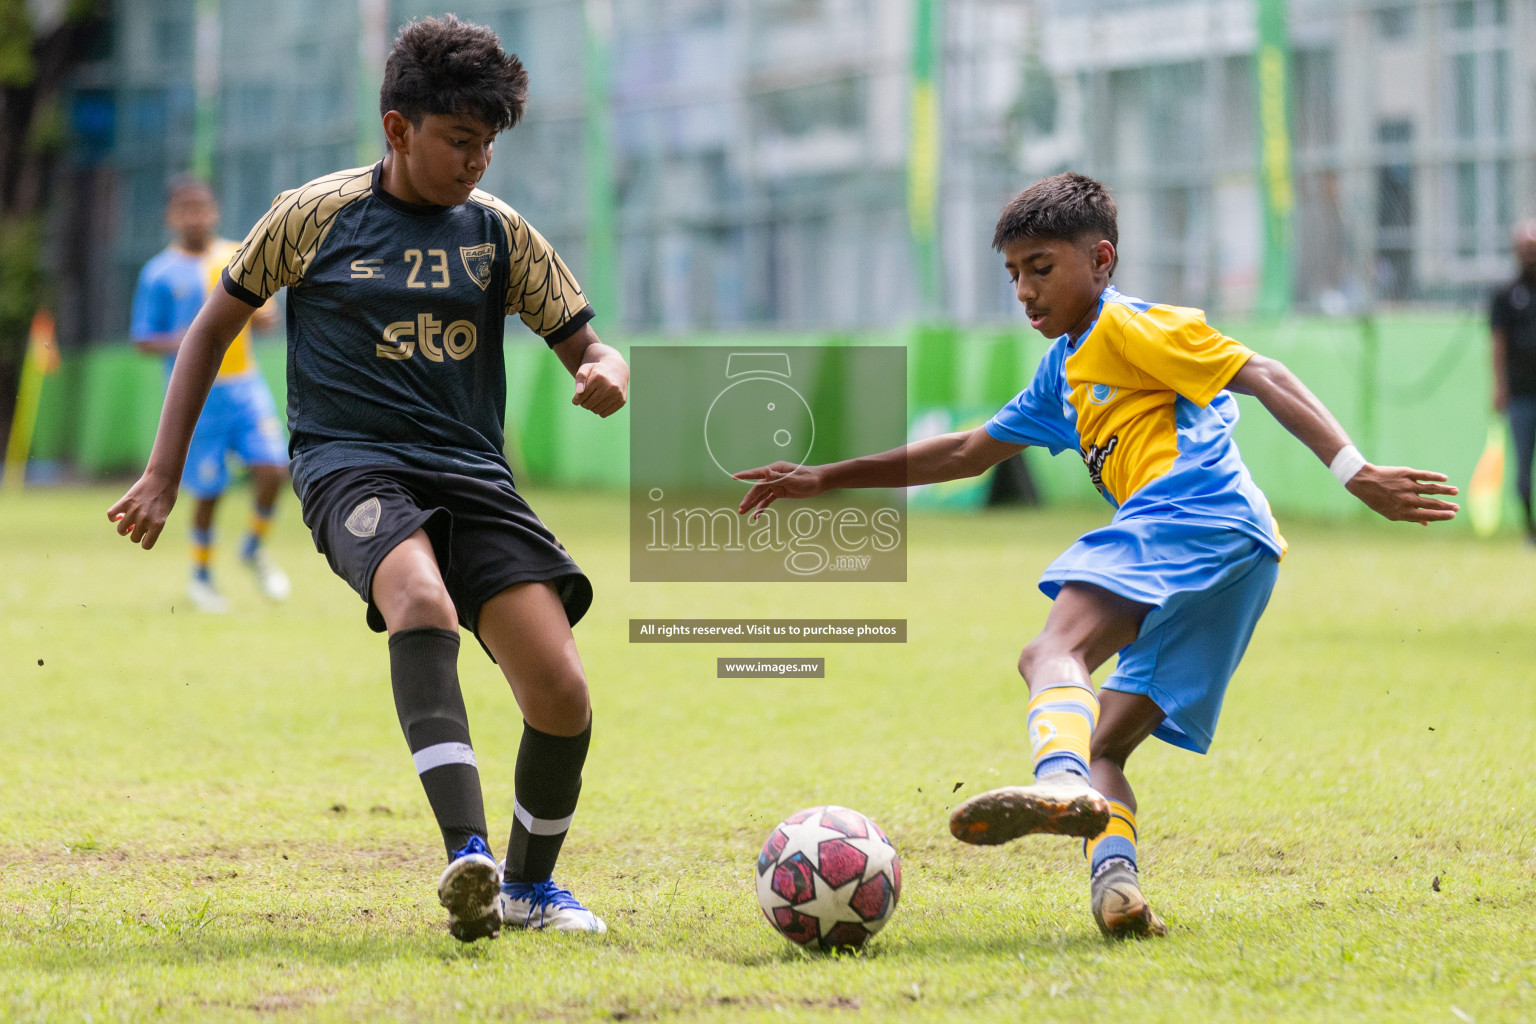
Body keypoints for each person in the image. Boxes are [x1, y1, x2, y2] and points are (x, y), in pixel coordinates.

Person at [736, 173, 1458, 939]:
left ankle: (1057, 783)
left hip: (1191, 509)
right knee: (1105, 741)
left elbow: (1264, 373)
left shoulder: (1127, 324)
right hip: (1244, 556)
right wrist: (827, 478)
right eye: (1013, 274)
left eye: (1041, 267)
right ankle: (1117, 889)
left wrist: (1357, 471)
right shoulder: (1065, 369)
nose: (1024, 290)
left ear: (1102, 259)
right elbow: (968, 449)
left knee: (1053, 647)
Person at [109, 15, 628, 942]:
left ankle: (530, 887)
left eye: (488, 145)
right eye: (459, 140)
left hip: (472, 473)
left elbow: (588, 340)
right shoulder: (315, 213)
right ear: (399, 129)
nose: (476, 162)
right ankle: (468, 854)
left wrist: (606, 370)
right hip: (350, 461)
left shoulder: (500, 234)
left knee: (561, 691)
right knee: (419, 600)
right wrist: (161, 472)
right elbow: (211, 330)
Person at [130, 177, 291, 612]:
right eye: (185, 209)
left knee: (274, 468)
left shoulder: (236, 255)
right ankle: (201, 577)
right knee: (208, 490)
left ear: (214, 211)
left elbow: (267, 318)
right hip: (198, 399)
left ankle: (254, 548)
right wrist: (186, 339)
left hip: (245, 386)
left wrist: (260, 318)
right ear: (171, 217)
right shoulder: (159, 273)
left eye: (201, 208)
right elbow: (142, 339)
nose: (195, 216)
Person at [1490, 220, 1536, 544]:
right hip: (1521, 394)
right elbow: (1498, 342)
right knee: (1523, 470)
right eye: (1524, 249)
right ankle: (1529, 530)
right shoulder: (1506, 295)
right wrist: (1499, 386)